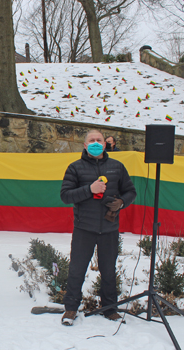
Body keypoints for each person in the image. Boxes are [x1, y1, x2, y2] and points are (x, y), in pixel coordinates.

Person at [60, 129, 136, 326]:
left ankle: (110, 309)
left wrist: (121, 202)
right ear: (85, 145)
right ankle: (70, 309)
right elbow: (65, 196)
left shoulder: (117, 167)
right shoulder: (75, 168)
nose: (95, 142)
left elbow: (130, 191)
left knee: (109, 271)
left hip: (109, 229)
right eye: (91, 140)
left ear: (105, 144)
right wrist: (89, 189)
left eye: (98, 140)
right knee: (77, 270)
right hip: (84, 228)